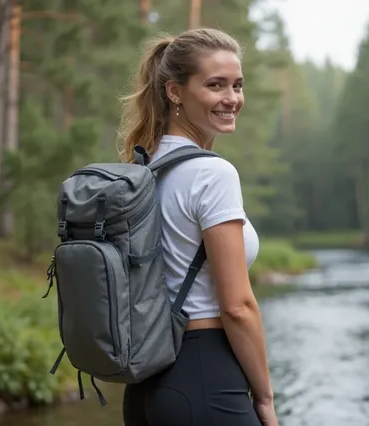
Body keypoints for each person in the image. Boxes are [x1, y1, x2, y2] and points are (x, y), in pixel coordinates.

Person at [118, 28, 279, 426]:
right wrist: (265, 397)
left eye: (237, 85)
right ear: (175, 92)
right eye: (215, 85)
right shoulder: (212, 174)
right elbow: (237, 307)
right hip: (205, 376)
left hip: (145, 384)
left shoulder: (145, 170)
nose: (232, 98)